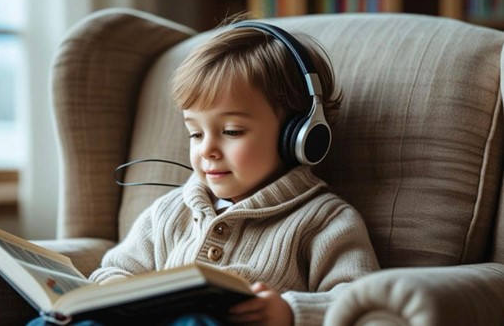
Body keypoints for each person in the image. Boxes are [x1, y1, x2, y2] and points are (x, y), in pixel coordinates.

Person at [29, 20, 379, 326]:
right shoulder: (170, 211)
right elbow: (116, 269)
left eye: (231, 132)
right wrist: (110, 291)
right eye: (195, 134)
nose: (206, 149)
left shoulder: (326, 220)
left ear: (299, 136)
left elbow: (364, 302)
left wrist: (291, 313)